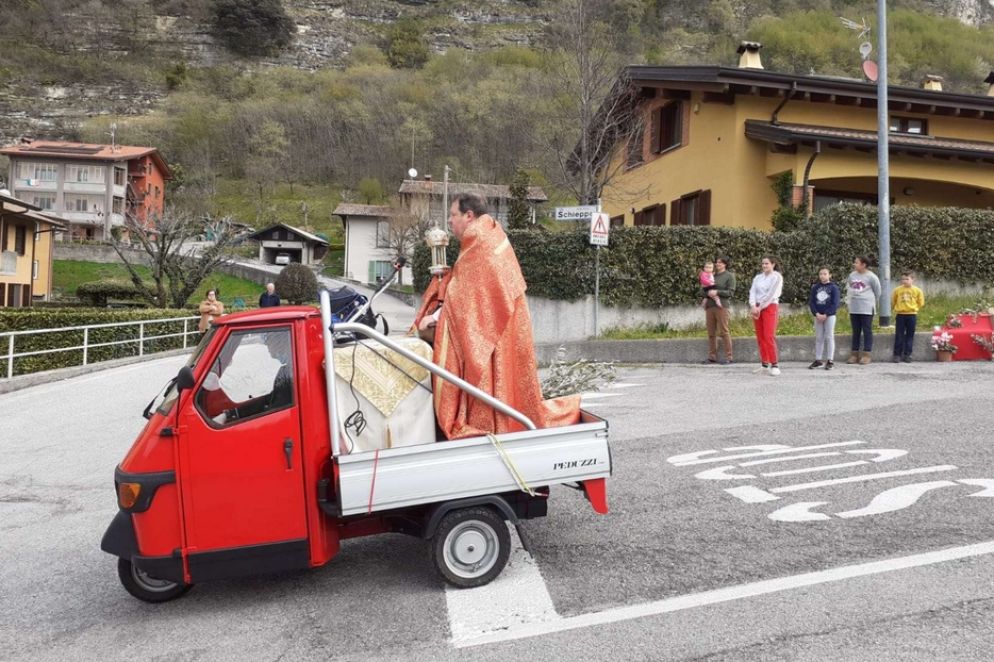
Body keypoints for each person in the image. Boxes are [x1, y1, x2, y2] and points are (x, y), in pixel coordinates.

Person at [413, 192, 580, 440]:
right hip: (506, 321)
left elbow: (464, 298)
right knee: (508, 382)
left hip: (497, 324)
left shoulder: (477, 240)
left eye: (453, 215)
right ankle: (505, 420)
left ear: (469, 216)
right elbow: (471, 290)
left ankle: (491, 423)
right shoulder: (491, 232)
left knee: (489, 374)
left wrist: (435, 318)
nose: (449, 221)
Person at [748, 256, 783, 376]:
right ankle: (764, 364)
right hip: (757, 308)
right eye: (763, 264)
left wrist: (760, 307)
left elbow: (772, 294)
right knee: (760, 336)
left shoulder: (777, 277)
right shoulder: (758, 277)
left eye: (767, 264)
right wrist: (753, 305)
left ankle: (774, 364)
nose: (764, 266)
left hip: (770, 307)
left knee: (769, 335)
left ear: (773, 264)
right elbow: (752, 291)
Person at [846, 256, 881, 365]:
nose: (854, 264)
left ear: (863, 264)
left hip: (866, 307)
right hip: (854, 307)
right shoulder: (852, 275)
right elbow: (850, 288)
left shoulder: (872, 277)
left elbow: (878, 291)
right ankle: (854, 354)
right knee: (856, 331)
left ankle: (866, 354)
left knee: (867, 330)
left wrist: (870, 301)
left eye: (856, 262)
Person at [703, 256, 736, 364]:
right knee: (711, 333)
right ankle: (712, 357)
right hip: (710, 306)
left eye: (720, 263)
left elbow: (731, 293)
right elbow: (705, 289)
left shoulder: (729, 276)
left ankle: (729, 357)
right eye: (716, 262)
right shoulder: (711, 275)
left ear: (725, 264)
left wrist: (717, 292)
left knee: (724, 332)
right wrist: (705, 296)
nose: (717, 264)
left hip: (722, 307)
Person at [808, 267, 841, 370]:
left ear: (829, 275)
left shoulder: (834, 288)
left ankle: (830, 360)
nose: (822, 276)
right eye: (821, 274)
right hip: (818, 316)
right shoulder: (815, 287)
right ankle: (818, 360)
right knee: (819, 337)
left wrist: (826, 314)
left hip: (829, 316)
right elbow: (812, 302)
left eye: (825, 274)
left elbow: (835, 303)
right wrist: (816, 313)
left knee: (829, 336)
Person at [891, 271, 925, 363]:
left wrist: (914, 308)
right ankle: (897, 354)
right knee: (899, 335)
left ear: (913, 280)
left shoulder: (917, 290)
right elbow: (893, 301)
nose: (904, 281)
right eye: (903, 279)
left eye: (907, 279)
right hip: (900, 315)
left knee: (910, 335)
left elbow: (921, 302)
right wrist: (895, 308)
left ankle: (908, 354)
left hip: (912, 315)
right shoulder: (897, 290)